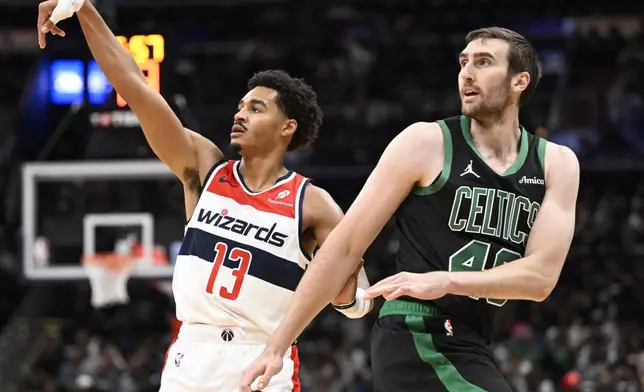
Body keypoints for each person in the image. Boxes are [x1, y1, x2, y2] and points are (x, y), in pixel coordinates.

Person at [37, 1, 373, 391]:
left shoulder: (312, 203)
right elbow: (135, 86)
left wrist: (353, 293)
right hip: (191, 357)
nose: (240, 114)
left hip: (261, 358)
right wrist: (84, 9)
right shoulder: (206, 169)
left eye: (255, 108)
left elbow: (354, 298)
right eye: (240, 106)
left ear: (287, 127)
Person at [240, 27, 580, 392]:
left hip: (473, 340)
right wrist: (277, 345)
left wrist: (447, 280)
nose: (467, 72)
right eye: (463, 62)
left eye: (483, 62)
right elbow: (345, 245)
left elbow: (541, 279)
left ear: (520, 81)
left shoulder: (555, 164)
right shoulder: (426, 142)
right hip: (417, 330)